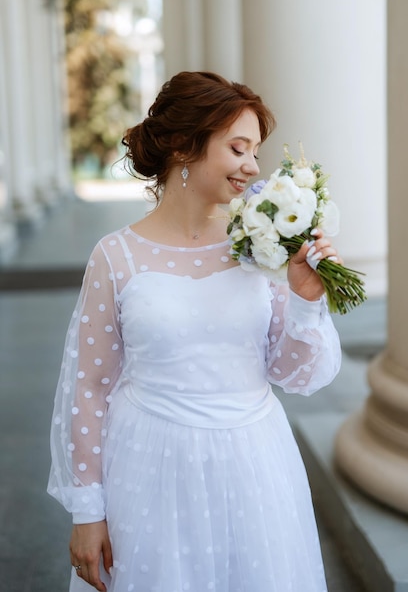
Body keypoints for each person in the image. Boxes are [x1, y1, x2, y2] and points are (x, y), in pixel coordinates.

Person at [48, 70, 342, 592]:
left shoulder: (262, 247)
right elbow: (90, 389)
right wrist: (87, 511)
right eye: (238, 148)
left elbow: (294, 375)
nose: (253, 167)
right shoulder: (115, 256)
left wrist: (305, 298)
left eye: (255, 151)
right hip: (148, 468)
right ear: (185, 146)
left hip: (255, 462)